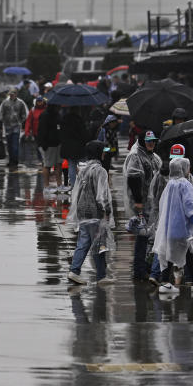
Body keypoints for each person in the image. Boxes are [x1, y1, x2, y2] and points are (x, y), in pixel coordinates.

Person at [153, 156, 193, 294]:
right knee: (188, 253)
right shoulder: (185, 184)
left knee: (171, 253)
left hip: (169, 228)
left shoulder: (170, 184)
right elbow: (190, 208)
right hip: (182, 228)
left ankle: (166, 282)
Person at [66, 141, 114, 285]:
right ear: (98, 152)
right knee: (99, 243)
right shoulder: (100, 170)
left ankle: (74, 271)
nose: (105, 153)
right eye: (103, 151)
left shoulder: (84, 169)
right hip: (95, 211)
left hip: (83, 211)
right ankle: (101, 276)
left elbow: (77, 190)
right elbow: (102, 194)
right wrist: (107, 211)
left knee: (84, 242)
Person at [124, 130, 161, 281]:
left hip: (150, 203)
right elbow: (133, 178)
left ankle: (145, 266)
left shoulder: (152, 156)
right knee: (142, 236)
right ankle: (139, 270)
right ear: (142, 141)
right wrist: (138, 201)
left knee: (149, 236)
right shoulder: (135, 155)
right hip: (141, 204)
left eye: (153, 140)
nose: (151, 143)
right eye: (148, 141)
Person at [59, 107, 90, 190]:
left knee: (71, 165)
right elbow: (84, 134)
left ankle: (73, 185)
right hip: (79, 146)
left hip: (68, 146)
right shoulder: (79, 119)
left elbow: (61, 132)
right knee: (83, 165)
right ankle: (84, 183)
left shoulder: (64, 119)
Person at [0, 89, 28, 167]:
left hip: (16, 126)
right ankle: (11, 160)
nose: (12, 95)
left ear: (16, 94)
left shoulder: (20, 103)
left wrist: (21, 121)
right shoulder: (5, 102)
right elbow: (0, 113)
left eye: (13, 94)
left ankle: (15, 160)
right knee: (9, 145)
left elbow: (25, 113)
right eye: (10, 94)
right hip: (7, 126)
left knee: (15, 144)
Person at [36, 103, 62, 192]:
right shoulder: (45, 115)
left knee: (58, 164)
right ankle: (46, 186)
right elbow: (42, 131)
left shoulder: (57, 114)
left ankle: (59, 185)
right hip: (48, 145)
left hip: (57, 143)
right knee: (47, 165)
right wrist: (44, 144)